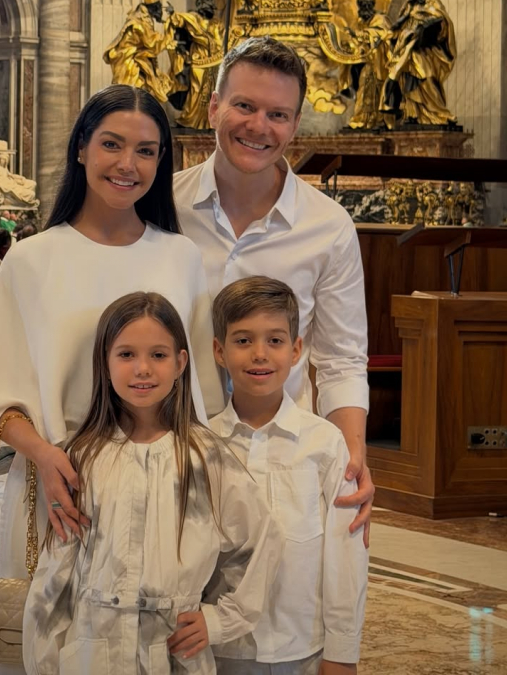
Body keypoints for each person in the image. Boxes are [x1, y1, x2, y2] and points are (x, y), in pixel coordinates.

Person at [0, 85, 225, 674]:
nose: (128, 164)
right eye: (112, 145)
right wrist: (45, 457)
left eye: (147, 151)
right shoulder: (32, 258)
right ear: (80, 149)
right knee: (48, 651)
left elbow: (202, 395)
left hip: (158, 493)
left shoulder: (181, 258)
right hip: (59, 493)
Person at [173, 36, 374, 542]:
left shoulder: (328, 226)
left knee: (283, 610)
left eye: (278, 114)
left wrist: (352, 457)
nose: (259, 126)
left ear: (296, 124)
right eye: (244, 106)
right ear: (214, 106)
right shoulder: (164, 208)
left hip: (281, 458)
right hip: (174, 449)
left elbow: (341, 358)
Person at [23, 291, 281, 675]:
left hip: (174, 651)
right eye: (126, 354)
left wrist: (220, 620)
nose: (142, 368)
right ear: (105, 363)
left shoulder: (207, 458)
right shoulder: (82, 457)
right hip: (93, 652)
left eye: (157, 355)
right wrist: (43, 659)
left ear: (180, 363)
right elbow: (56, 576)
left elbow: (259, 543)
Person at [209, 277, 368, 675]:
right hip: (219, 650)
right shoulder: (202, 445)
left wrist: (342, 650)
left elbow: (345, 555)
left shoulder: (326, 444)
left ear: (297, 350)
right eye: (243, 341)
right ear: (219, 351)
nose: (259, 354)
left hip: (302, 649)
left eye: (275, 341)